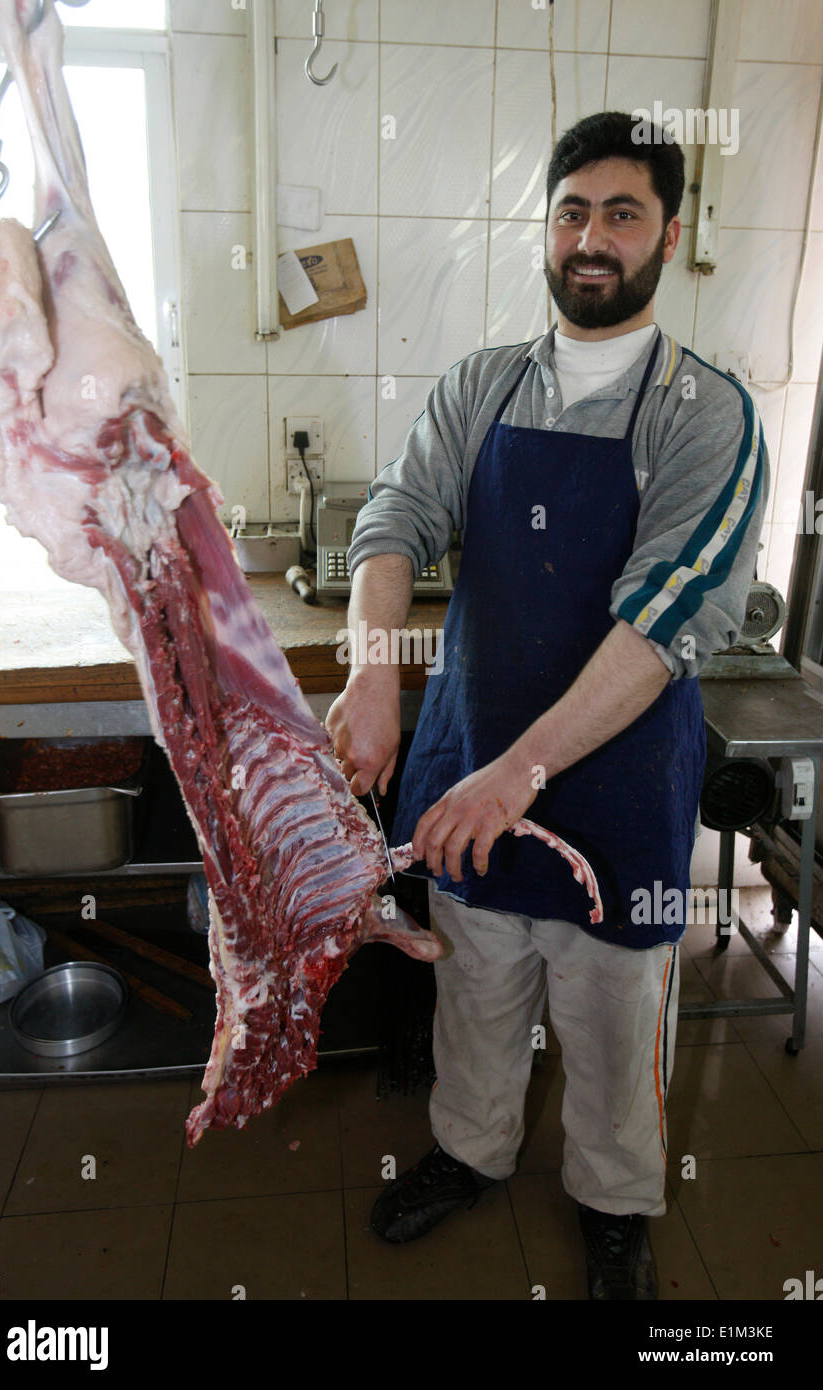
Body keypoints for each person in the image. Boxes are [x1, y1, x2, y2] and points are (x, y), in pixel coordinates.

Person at [325, 110, 769, 1301]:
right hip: (466, 760)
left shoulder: (706, 413)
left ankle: (614, 1201)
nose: (590, 237)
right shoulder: (482, 383)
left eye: (620, 214)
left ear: (666, 238)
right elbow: (391, 521)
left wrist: (521, 770)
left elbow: (667, 614)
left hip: (613, 790)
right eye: (571, 211)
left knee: (613, 1013)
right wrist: (372, 669)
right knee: (475, 988)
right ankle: (469, 1153)